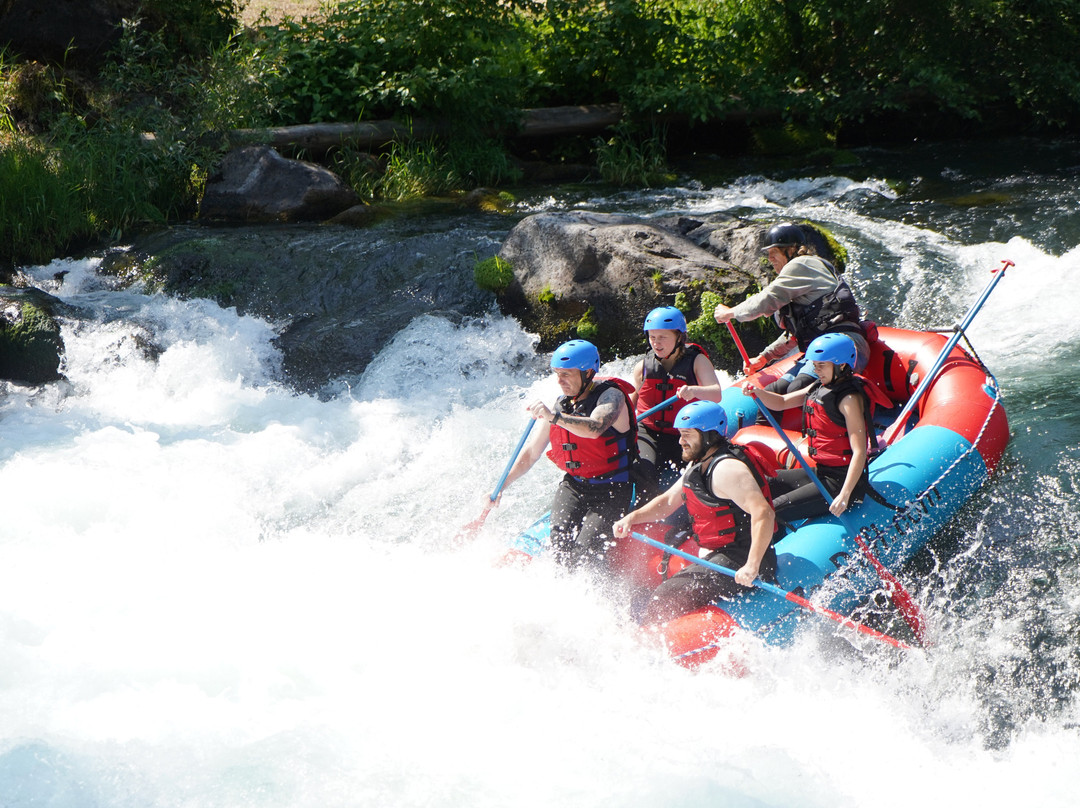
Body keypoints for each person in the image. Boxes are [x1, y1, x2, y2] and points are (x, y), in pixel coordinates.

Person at [612, 400, 777, 624]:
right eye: (680, 434)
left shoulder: (727, 469)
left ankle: (653, 643)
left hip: (742, 557)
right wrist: (632, 518)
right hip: (719, 551)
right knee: (648, 592)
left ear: (709, 435)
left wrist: (752, 566)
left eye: (687, 435)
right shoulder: (700, 463)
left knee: (664, 597)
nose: (681, 441)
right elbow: (669, 501)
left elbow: (764, 514)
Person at [498, 339, 637, 570]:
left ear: (588, 372)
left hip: (612, 488)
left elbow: (595, 427)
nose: (560, 381)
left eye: (566, 375)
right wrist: (502, 486)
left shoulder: (612, 396)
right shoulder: (562, 405)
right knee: (559, 544)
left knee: (584, 552)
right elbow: (531, 454)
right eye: (557, 374)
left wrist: (553, 417)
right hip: (574, 486)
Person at [744, 333, 891, 523]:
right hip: (822, 472)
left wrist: (845, 495)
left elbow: (859, 451)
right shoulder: (818, 387)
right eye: (815, 365)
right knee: (765, 482)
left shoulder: (849, 399)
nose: (816, 370)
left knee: (776, 508)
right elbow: (780, 402)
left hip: (841, 483)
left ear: (842, 365)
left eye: (822, 365)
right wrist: (757, 392)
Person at [712, 222, 869, 398]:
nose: (770, 258)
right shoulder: (802, 276)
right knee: (773, 391)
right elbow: (796, 333)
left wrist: (731, 313)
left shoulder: (802, 264)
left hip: (843, 345)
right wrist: (765, 357)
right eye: (769, 253)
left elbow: (767, 299)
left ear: (792, 250)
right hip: (824, 347)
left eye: (774, 252)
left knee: (796, 388)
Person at [630, 306, 721, 501]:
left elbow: (716, 394)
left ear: (679, 337)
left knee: (693, 475)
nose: (656, 342)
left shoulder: (697, 361)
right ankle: (644, 515)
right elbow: (633, 399)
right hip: (649, 431)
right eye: (652, 337)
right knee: (643, 470)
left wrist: (694, 390)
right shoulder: (642, 367)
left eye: (662, 337)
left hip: (684, 432)